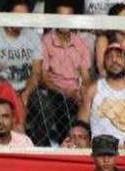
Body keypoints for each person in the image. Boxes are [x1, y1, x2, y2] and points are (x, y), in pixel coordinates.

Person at [29, 9, 91, 147]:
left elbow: (85, 76)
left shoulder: (79, 42)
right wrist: (65, 92)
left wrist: (84, 91)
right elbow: (43, 77)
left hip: (75, 90)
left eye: (69, 16)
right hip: (53, 89)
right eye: (61, 16)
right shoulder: (46, 41)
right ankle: (63, 146)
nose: (65, 20)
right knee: (60, 105)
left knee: (88, 102)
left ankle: (83, 146)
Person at [81, 44, 125, 152]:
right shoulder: (93, 90)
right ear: (104, 64)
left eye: (119, 56)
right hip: (104, 155)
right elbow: (81, 127)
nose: (114, 60)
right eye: (109, 57)